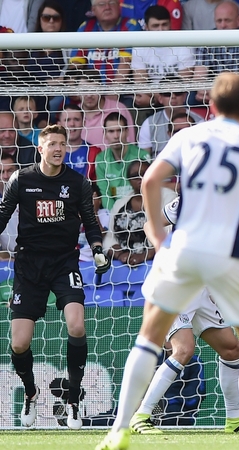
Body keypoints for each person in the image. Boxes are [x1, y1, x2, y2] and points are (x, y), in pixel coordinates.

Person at [96, 72, 239, 450]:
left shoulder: (188, 136)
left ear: (209, 105)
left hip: (185, 254)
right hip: (230, 256)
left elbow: (148, 183)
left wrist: (158, 236)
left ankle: (119, 431)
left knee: (150, 341)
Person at [0, 125, 110, 430]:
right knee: (19, 344)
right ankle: (32, 393)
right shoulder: (21, 179)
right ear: (40, 148)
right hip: (29, 265)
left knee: (76, 324)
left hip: (64, 262)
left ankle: (73, 400)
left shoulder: (77, 182)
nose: (58, 148)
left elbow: (90, 221)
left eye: (62, 143)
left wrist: (98, 248)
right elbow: (2, 215)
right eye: (52, 144)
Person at [129, 196, 239, 435]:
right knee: (183, 349)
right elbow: (150, 224)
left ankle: (235, 420)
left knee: (232, 349)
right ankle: (141, 416)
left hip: (201, 287)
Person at [131, 6, 195, 83]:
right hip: (149, 93)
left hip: (178, 93)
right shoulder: (139, 46)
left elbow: (185, 82)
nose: (160, 30)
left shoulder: (184, 43)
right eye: (155, 26)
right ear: (146, 27)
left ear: (170, 24)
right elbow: (140, 84)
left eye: (164, 24)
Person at [57, 104, 103, 180]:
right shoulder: (51, 152)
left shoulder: (94, 152)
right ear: (59, 124)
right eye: (67, 120)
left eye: (76, 119)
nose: (72, 124)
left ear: (83, 123)